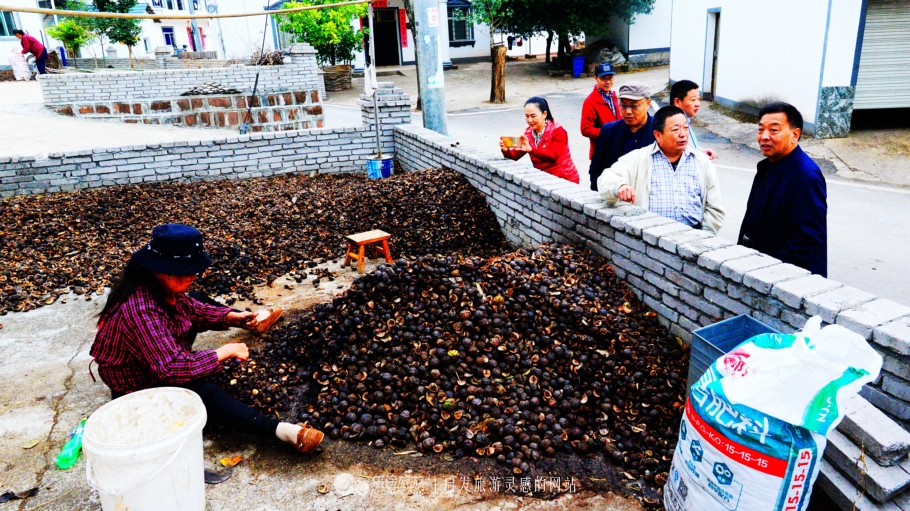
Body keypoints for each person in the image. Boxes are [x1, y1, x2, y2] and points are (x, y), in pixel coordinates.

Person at [90, 224, 324, 454]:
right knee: (199, 390)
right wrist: (224, 352)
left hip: (159, 355)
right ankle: (279, 431)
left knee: (197, 297)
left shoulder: (157, 285)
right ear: (164, 269)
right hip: (139, 385)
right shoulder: (141, 310)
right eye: (188, 270)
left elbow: (193, 308)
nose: (194, 275)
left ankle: (252, 322)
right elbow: (172, 368)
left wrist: (233, 317)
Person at [597, 106, 725, 233]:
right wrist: (619, 186)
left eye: (685, 128)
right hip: (651, 237)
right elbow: (606, 177)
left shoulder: (702, 162)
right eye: (675, 129)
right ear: (658, 135)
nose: (683, 134)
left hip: (693, 236)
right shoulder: (639, 159)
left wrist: (703, 236)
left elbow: (715, 209)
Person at [738, 103, 827, 276]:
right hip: (757, 269)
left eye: (773, 130)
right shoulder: (767, 167)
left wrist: (770, 270)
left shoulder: (805, 176)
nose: (764, 136)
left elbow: (808, 238)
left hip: (786, 278)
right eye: (761, 129)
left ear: (795, 135)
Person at [588, 81, 656, 191]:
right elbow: (596, 171)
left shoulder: (659, 131)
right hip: (615, 195)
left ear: (648, 104)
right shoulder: (608, 131)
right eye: (624, 106)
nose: (628, 111)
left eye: (634, 106)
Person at [500, 97, 580, 184]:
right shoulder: (528, 133)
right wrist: (506, 150)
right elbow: (514, 156)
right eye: (527, 116)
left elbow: (553, 156)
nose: (529, 120)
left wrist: (531, 150)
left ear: (544, 114)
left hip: (565, 180)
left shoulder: (558, 131)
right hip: (545, 179)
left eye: (533, 116)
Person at [580, 63, 622, 159]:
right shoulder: (590, 101)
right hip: (601, 154)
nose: (608, 82)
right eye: (603, 79)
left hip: (616, 149)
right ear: (596, 78)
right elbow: (585, 129)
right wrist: (608, 134)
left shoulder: (613, 96)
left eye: (610, 78)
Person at [670, 80, 716, 160]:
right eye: (693, 100)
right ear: (677, 102)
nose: (698, 104)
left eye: (698, 99)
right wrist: (699, 156)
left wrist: (700, 151)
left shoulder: (685, 121)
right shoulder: (671, 126)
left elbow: (688, 147)